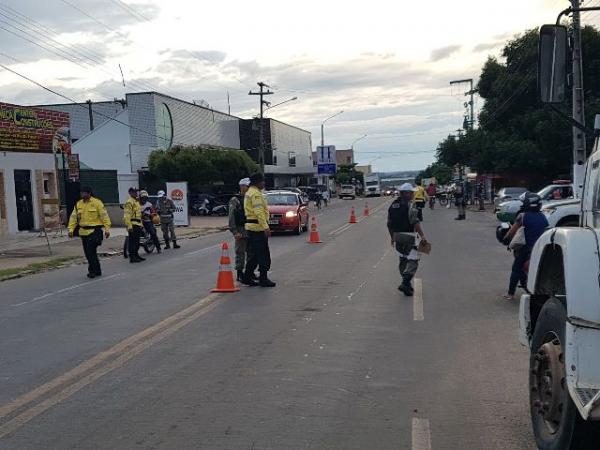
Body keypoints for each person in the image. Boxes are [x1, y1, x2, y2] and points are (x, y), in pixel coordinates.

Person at [502, 193, 548, 300]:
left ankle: (510, 293)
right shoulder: (543, 216)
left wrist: (506, 239)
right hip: (539, 248)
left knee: (516, 269)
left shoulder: (523, 216)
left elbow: (512, 232)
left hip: (525, 249)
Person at [388, 183, 428, 296]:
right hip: (409, 235)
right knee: (414, 259)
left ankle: (407, 285)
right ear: (406, 194)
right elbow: (414, 221)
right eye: (411, 192)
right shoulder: (410, 205)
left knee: (403, 260)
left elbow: (389, 223)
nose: (412, 194)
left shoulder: (393, 205)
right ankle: (405, 282)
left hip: (397, 236)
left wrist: (392, 237)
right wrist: (422, 235)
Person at [67, 186, 111, 278]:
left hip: (95, 231)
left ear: (89, 193)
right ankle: (97, 270)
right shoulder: (78, 204)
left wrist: (107, 229)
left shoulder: (97, 203)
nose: (82, 194)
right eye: (81, 193)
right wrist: (70, 229)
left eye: (84, 193)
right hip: (83, 232)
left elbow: (104, 216)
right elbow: (73, 218)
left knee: (91, 251)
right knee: (88, 253)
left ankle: (92, 271)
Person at [242, 172, 276, 287]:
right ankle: (263, 278)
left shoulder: (249, 192)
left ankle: (247, 276)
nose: (264, 183)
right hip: (257, 228)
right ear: (257, 182)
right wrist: (266, 227)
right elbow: (259, 212)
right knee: (263, 254)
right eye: (262, 181)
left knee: (255, 254)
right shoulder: (256, 194)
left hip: (252, 228)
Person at [229, 178, 251, 281]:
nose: (248, 188)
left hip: (250, 228)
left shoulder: (249, 198)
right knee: (240, 252)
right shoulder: (235, 200)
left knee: (251, 253)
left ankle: (249, 272)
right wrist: (235, 231)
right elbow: (231, 217)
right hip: (240, 229)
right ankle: (239, 272)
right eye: (247, 186)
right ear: (242, 186)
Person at [124, 187, 145, 263]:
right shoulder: (129, 202)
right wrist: (129, 226)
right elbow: (127, 216)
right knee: (132, 242)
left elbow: (139, 215)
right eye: (134, 192)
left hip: (138, 224)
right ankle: (132, 257)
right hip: (133, 224)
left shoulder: (136, 202)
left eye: (136, 192)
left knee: (137, 242)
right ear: (130, 193)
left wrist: (141, 225)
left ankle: (136, 255)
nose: (136, 193)